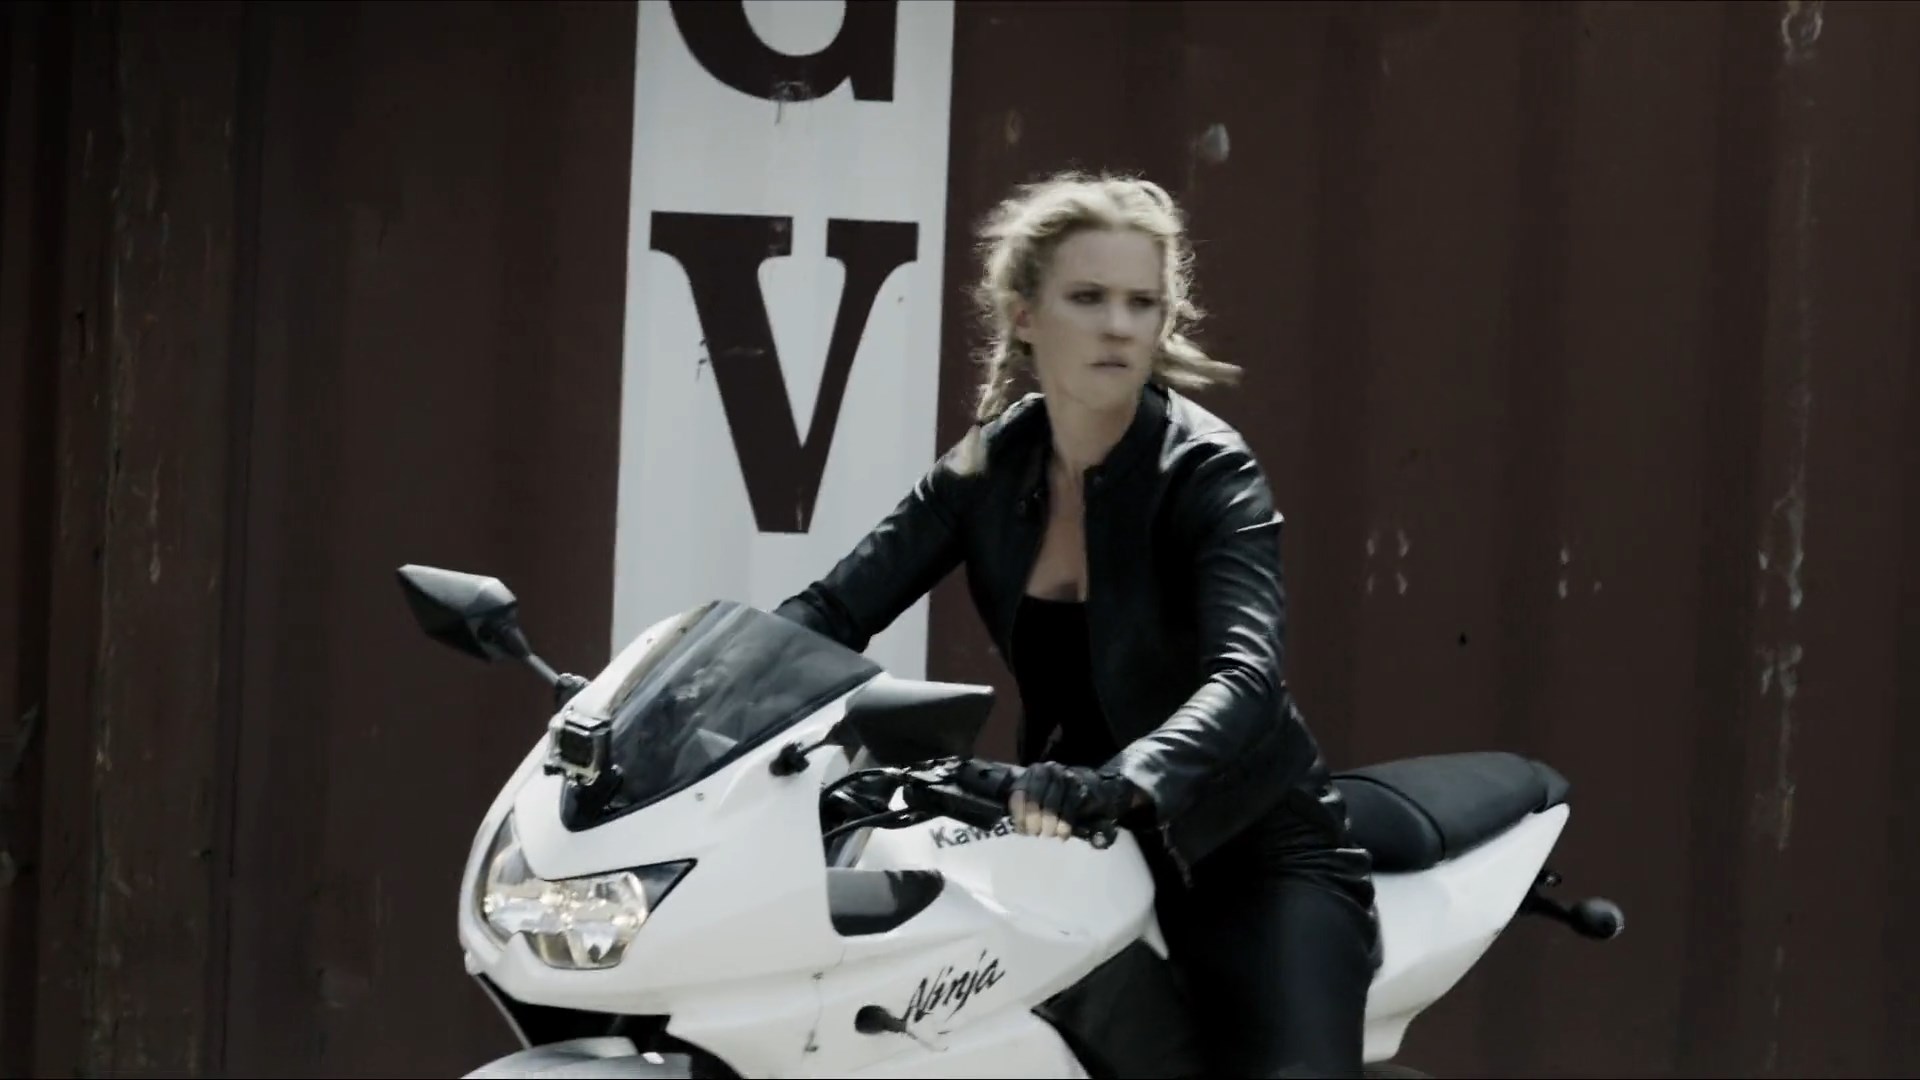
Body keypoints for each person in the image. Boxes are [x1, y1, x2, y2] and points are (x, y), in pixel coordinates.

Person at [773, 170, 1380, 1078]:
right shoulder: (989, 465)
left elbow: (1245, 679)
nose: (1119, 326)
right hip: (1070, 838)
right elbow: (829, 612)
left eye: (1142, 303)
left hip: (1246, 848)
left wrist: (1123, 782)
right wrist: (694, 705)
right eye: (1088, 298)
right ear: (1025, 315)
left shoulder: (1207, 471)